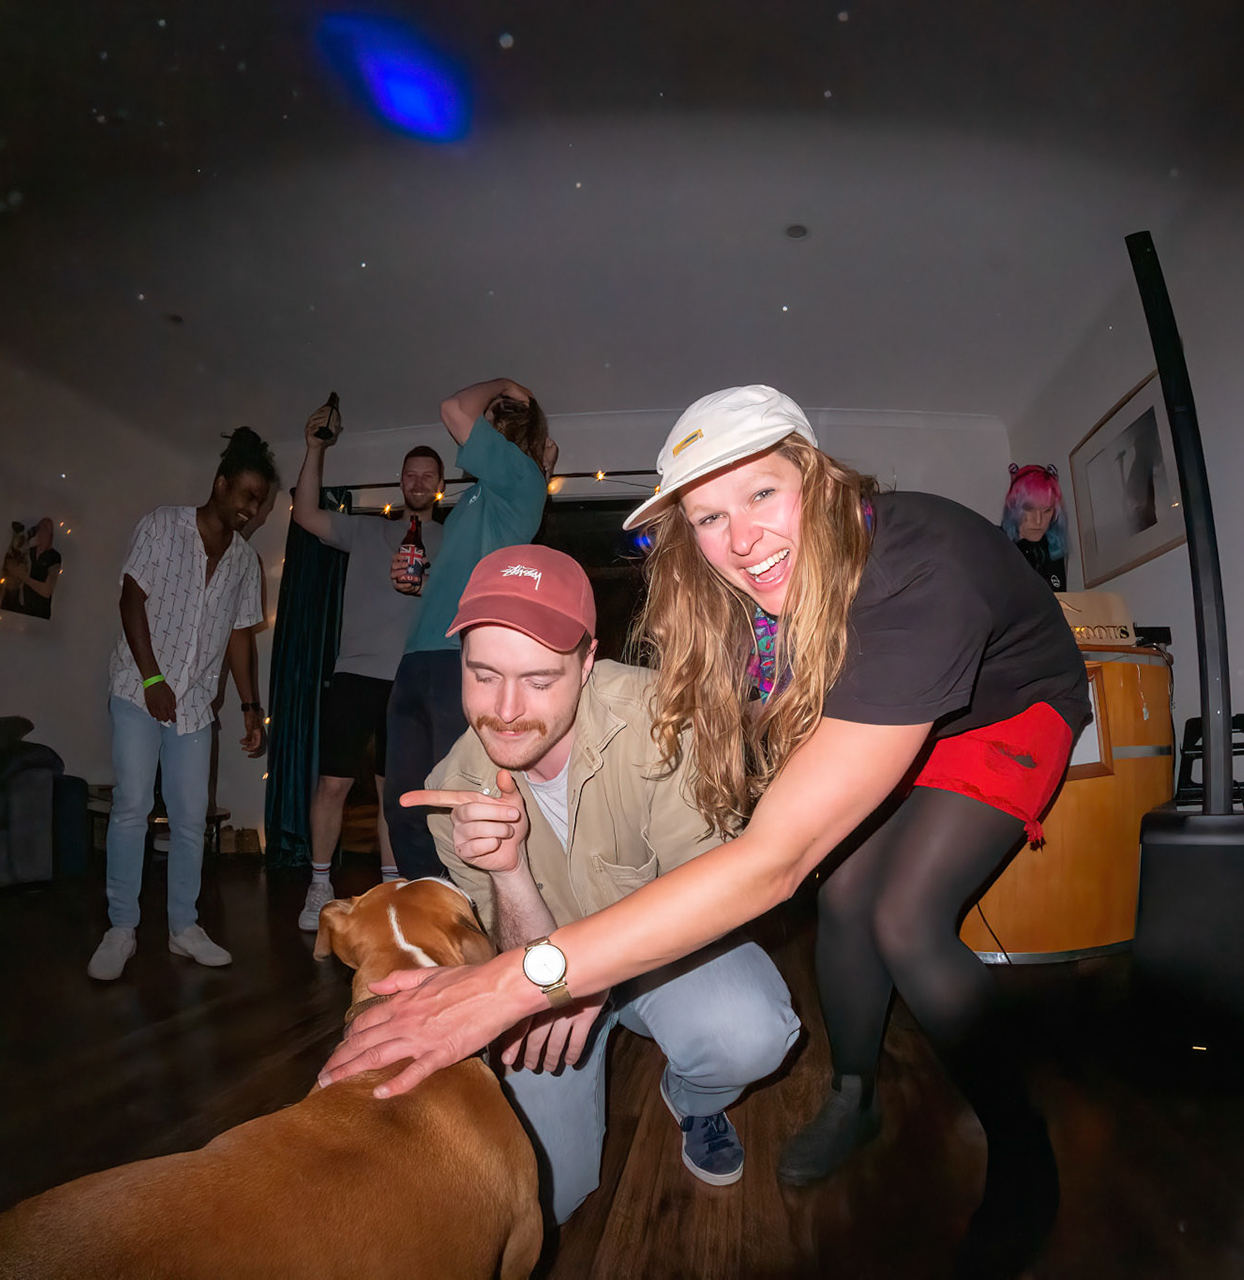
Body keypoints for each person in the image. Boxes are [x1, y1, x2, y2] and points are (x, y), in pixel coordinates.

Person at [322, 385, 1091, 1275]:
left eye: (762, 493)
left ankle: (1024, 1157)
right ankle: (853, 1094)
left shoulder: (921, 570)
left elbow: (772, 859)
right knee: (847, 895)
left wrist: (511, 985)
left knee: (905, 916)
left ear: (818, 477)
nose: (743, 540)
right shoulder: (729, 602)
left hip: (1005, 709)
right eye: (709, 517)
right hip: (886, 704)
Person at [403, 545, 800, 1224]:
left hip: (668, 960)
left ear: (588, 664)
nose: (505, 710)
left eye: (538, 679)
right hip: (547, 986)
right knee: (547, 1197)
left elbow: (715, 898)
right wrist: (508, 872)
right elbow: (518, 961)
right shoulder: (454, 789)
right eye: (484, 674)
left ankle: (693, 1100)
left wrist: (591, 972)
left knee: (748, 1032)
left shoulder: (666, 722)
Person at [89, 428, 274, 981]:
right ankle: (121, 928)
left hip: (194, 707)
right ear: (220, 484)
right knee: (132, 805)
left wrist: (249, 706)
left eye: (260, 501)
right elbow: (131, 599)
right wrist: (152, 678)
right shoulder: (163, 525)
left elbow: (240, 637)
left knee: (191, 818)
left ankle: (183, 928)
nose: (252, 509)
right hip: (137, 689)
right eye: (247, 495)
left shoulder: (245, 562)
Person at [381, 378, 554, 883]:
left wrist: (502, 383)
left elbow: (453, 408)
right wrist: (424, 585)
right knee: (404, 804)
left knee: (454, 800)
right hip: (417, 657)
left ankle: (469, 906)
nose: (481, 425)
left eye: (493, 418)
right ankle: (428, 903)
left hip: (457, 658)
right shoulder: (481, 496)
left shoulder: (521, 478)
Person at [288, 398, 446, 929]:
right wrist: (314, 448)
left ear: (439, 486)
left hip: (412, 679)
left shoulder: (451, 541)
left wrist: (427, 586)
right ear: (400, 481)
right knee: (332, 784)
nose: (418, 482)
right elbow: (305, 515)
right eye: (410, 474)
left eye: (428, 476)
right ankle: (318, 885)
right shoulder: (365, 531)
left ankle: (391, 889)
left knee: (392, 794)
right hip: (355, 673)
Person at [1002, 463, 1066, 592]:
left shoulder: (1052, 550)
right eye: (1029, 509)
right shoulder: (995, 543)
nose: (1038, 520)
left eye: (1047, 510)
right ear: (1013, 507)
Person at [16, 516, 61, 618]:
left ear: (50, 536)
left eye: (46, 529)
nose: (42, 532)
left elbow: (47, 591)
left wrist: (23, 577)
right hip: (23, 608)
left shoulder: (54, 557)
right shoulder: (29, 551)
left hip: (39, 612)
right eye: (40, 528)